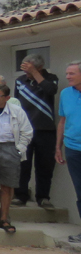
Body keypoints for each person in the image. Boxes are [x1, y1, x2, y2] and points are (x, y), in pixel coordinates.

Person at [0, 83, 33, 233]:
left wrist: (19, 149)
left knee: (7, 186)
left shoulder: (17, 111)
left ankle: (4, 218)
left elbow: (27, 131)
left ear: (7, 98)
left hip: (10, 147)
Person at [14, 54, 59, 209]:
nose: (26, 72)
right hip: (24, 130)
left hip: (45, 129)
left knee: (45, 166)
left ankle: (43, 197)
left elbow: (50, 90)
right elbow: (16, 103)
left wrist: (35, 73)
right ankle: (21, 195)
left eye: (30, 68)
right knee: (23, 165)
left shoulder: (51, 78)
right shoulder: (20, 81)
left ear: (40, 67)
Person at [58, 62, 81, 242]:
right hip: (73, 148)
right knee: (80, 191)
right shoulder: (65, 93)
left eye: (71, 73)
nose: (67, 77)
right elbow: (62, 121)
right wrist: (58, 147)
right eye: (67, 73)